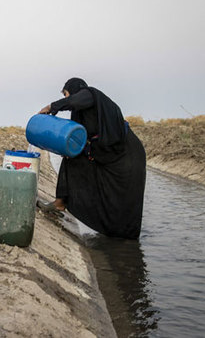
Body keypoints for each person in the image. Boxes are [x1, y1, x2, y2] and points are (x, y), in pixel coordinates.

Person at [38, 78, 146, 239]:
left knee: (123, 197)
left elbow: (75, 101)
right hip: (108, 151)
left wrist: (51, 107)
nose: (67, 98)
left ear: (75, 91)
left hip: (127, 154)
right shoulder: (85, 113)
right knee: (72, 159)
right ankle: (60, 203)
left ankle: (124, 238)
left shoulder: (90, 95)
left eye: (67, 94)